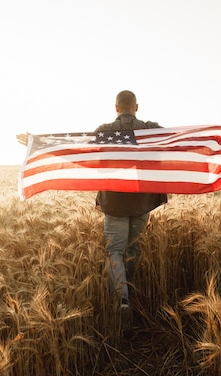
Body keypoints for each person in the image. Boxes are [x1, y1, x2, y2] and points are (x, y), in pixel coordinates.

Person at [94, 90, 167, 331]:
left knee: (114, 251)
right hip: (141, 199)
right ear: (136, 107)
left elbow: (76, 148)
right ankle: (129, 287)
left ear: (116, 108)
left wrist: (36, 143)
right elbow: (179, 140)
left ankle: (122, 298)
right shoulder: (150, 129)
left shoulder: (104, 131)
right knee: (134, 247)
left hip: (114, 199)